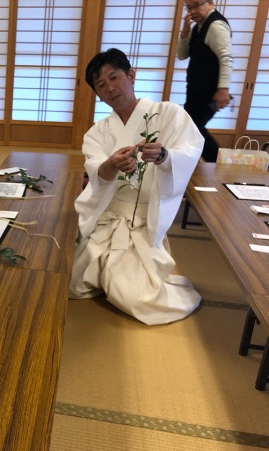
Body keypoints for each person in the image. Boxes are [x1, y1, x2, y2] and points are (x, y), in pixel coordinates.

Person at [68, 48, 204, 326]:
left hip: (143, 220)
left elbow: (190, 152)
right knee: (72, 284)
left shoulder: (169, 114)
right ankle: (107, 270)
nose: (110, 88)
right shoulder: (98, 131)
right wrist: (111, 165)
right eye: (101, 85)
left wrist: (165, 156)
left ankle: (123, 274)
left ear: (131, 75)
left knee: (135, 299)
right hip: (107, 218)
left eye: (114, 77)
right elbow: (96, 171)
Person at [177, 0, 232, 163]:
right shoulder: (198, 27)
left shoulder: (216, 26)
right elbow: (182, 55)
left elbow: (226, 58)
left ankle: (218, 163)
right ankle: (212, 164)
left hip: (210, 93)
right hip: (196, 91)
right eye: (189, 7)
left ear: (210, 2)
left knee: (193, 129)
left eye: (196, 5)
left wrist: (223, 89)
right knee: (193, 129)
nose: (192, 11)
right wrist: (185, 32)